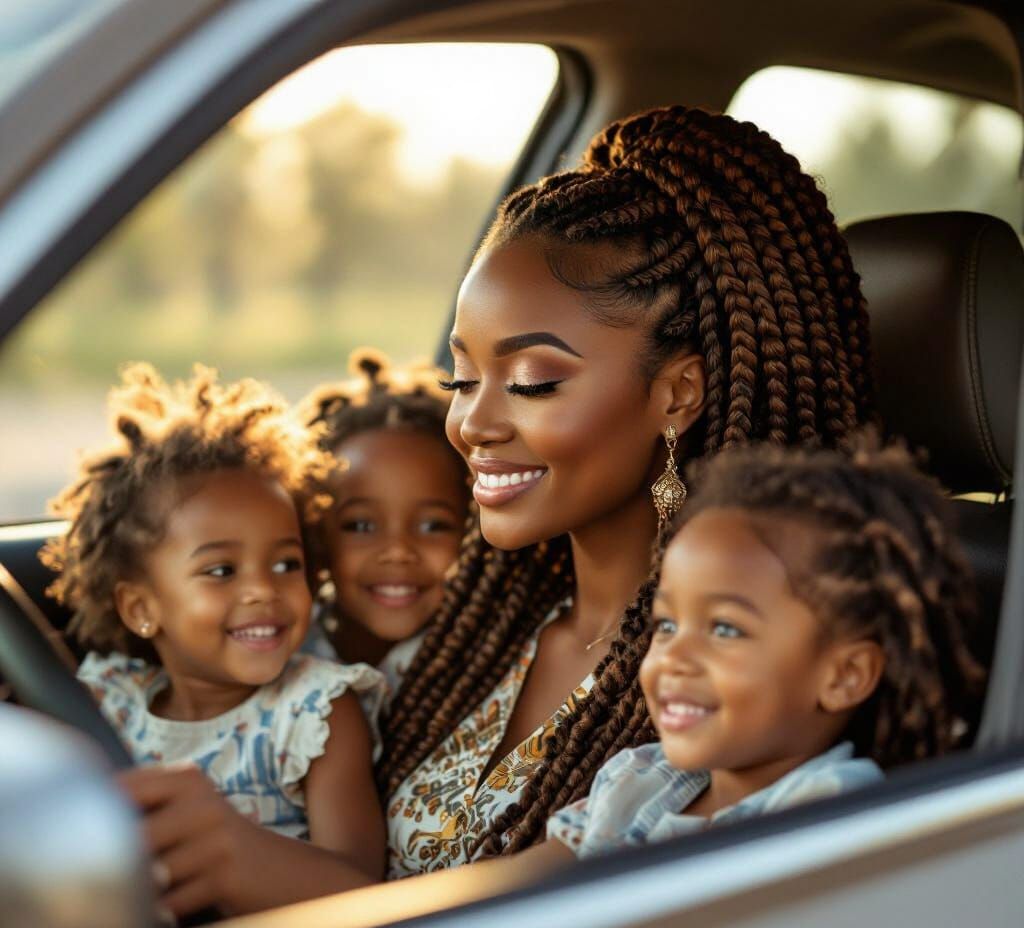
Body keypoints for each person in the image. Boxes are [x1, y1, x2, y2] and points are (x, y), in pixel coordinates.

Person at [379, 104, 880, 876]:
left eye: (533, 382)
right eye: (463, 377)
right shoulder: (470, 632)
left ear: (678, 394)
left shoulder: (718, 689)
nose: (472, 423)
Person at [42, 364, 387, 917]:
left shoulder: (314, 713)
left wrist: (240, 856)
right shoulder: (107, 701)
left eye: (285, 563)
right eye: (221, 571)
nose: (262, 591)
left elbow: (362, 890)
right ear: (141, 609)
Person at [536, 438, 983, 861]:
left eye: (726, 630)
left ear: (844, 676)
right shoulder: (637, 780)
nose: (673, 656)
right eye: (667, 624)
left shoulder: (830, 816)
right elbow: (508, 892)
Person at [299, 349, 470, 704]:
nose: (397, 551)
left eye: (433, 525)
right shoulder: (284, 651)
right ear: (316, 533)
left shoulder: (479, 664)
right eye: (361, 525)